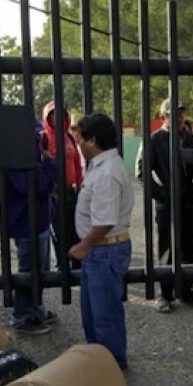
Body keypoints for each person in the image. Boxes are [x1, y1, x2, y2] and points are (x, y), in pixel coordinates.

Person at [69, 113, 135, 371]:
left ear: (92, 140)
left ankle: (111, 368)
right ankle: (101, 364)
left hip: (104, 250)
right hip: (100, 251)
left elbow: (105, 220)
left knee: (104, 316)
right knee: (94, 313)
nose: (79, 145)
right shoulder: (103, 165)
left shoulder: (107, 172)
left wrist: (83, 245)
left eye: (80, 140)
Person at [135, 99, 193, 313]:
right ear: (163, 117)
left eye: (182, 113)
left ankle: (187, 290)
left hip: (189, 202)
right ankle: (165, 294)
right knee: (167, 248)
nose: (180, 118)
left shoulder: (189, 138)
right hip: (167, 203)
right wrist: (161, 194)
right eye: (174, 114)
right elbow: (142, 172)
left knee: (190, 246)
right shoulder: (154, 140)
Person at [6, 126, 58, 335]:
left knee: (40, 268)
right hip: (25, 221)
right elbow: (39, 186)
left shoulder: (30, 156)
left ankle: (35, 308)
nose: (40, 139)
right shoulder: (17, 159)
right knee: (29, 268)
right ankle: (22, 315)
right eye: (37, 136)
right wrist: (50, 165)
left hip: (38, 219)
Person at [40, 101, 85, 271]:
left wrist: (80, 185)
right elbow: (41, 165)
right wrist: (50, 191)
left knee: (75, 228)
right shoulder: (44, 137)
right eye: (53, 114)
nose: (57, 118)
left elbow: (76, 162)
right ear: (47, 117)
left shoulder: (69, 138)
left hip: (71, 191)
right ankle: (62, 265)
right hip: (54, 193)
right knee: (58, 232)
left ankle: (76, 264)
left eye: (61, 115)